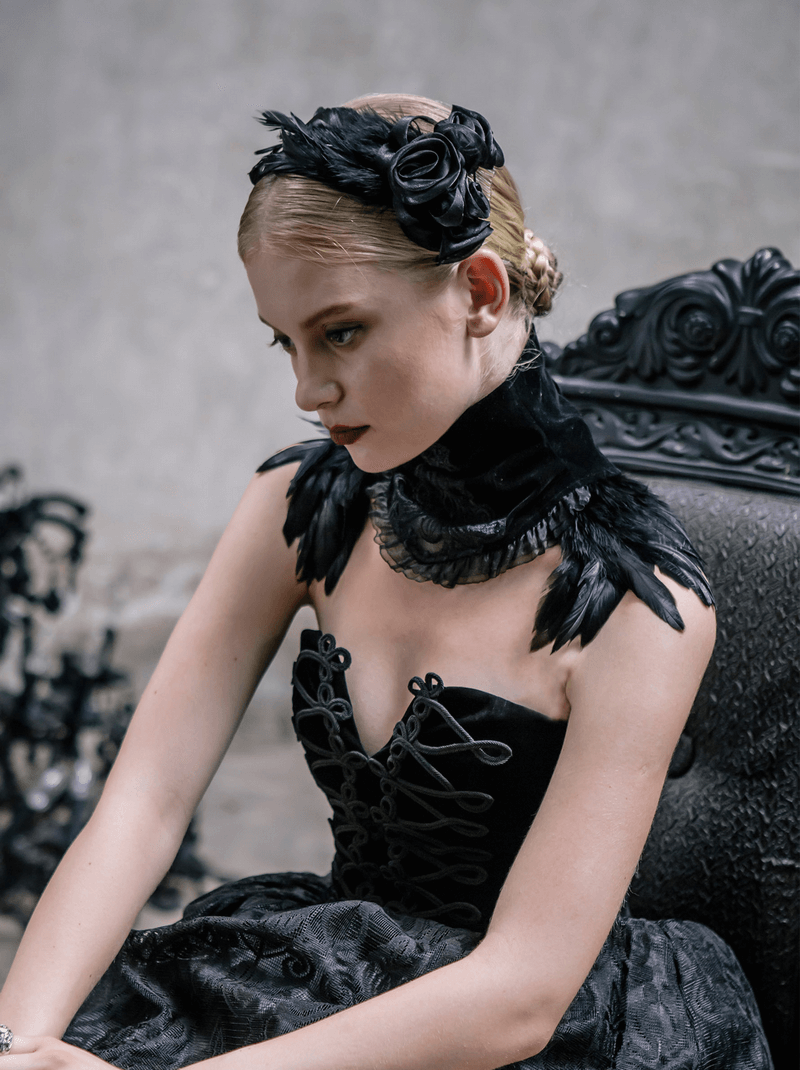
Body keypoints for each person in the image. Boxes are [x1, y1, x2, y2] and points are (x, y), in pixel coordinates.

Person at [0, 94, 772, 1070]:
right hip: (318, 975)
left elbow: (521, 994)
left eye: (342, 333)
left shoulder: (637, 599)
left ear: (481, 293)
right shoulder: (303, 502)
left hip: (522, 1029)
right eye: (285, 341)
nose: (306, 388)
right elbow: (147, 795)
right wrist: (17, 1040)